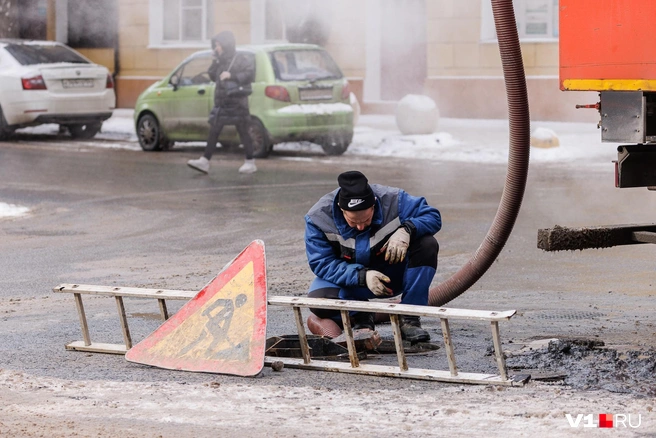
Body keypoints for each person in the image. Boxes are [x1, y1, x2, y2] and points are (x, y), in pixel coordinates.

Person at [304, 170, 441, 343]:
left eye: (366, 220)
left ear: (374, 204)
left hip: (393, 276)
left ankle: (409, 318)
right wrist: (361, 276)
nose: (360, 227)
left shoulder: (395, 200)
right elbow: (321, 263)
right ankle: (362, 317)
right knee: (318, 301)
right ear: (341, 208)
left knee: (427, 245)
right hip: (352, 283)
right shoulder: (318, 218)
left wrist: (407, 229)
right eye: (353, 222)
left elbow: (432, 216)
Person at [188, 31, 257, 175]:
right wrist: (215, 61)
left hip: (237, 102)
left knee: (243, 131)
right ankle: (205, 161)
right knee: (214, 130)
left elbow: (250, 74)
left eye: (219, 45)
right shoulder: (221, 60)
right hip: (222, 103)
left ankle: (250, 162)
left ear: (226, 45)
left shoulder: (240, 59)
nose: (216, 48)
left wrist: (232, 75)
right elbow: (213, 77)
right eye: (216, 45)